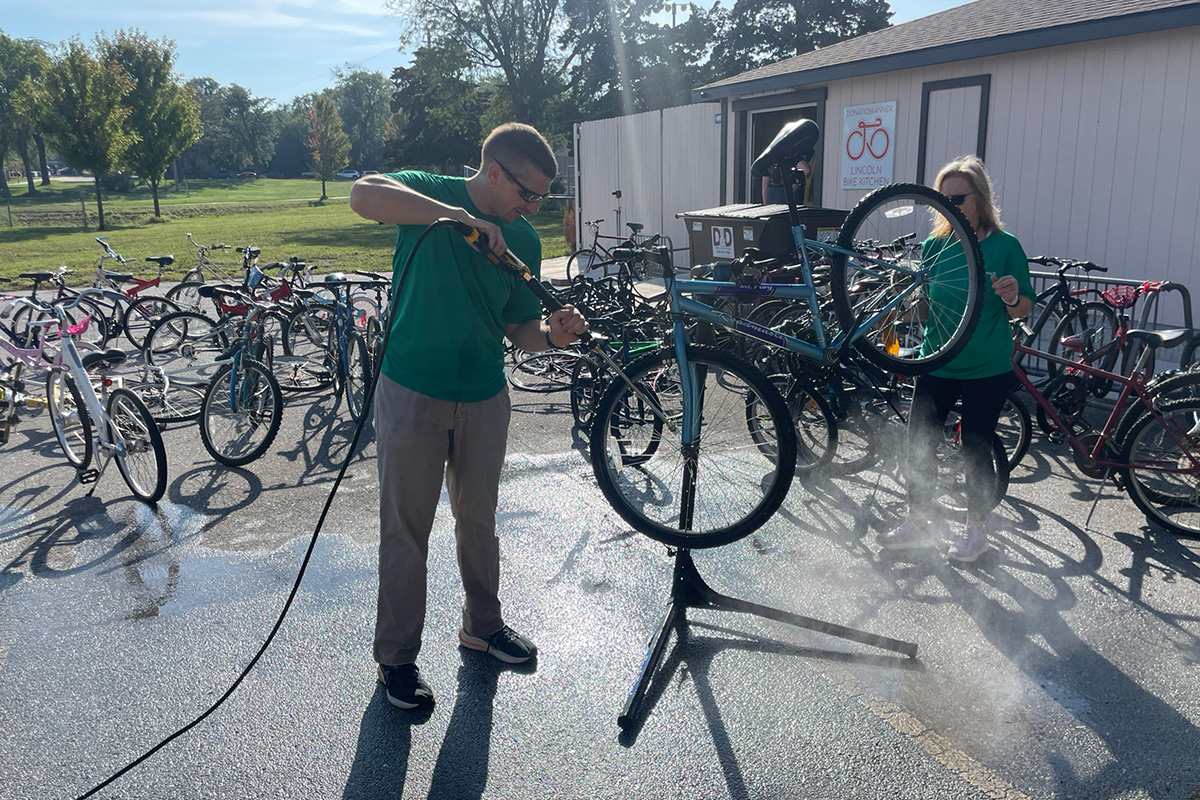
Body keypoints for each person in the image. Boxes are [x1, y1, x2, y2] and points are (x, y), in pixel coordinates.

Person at [348, 123, 589, 709]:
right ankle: (397, 659)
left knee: (479, 522)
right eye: (526, 194)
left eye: (540, 199)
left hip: (483, 396)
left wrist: (552, 339)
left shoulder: (523, 241)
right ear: (493, 172)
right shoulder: (425, 192)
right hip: (412, 390)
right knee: (407, 532)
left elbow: (518, 329)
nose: (531, 208)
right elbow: (362, 195)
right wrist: (454, 218)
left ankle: (482, 627)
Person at [876, 154, 1033, 563]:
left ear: (979, 198)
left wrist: (1013, 296)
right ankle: (919, 521)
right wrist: (895, 324)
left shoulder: (1006, 246)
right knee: (919, 445)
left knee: (976, 446)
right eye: (941, 200)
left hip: (986, 366)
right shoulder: (933, 247)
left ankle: (975, 531)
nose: (950, 207)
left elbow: (1023, 309)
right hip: (937, 361)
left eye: (958, 198)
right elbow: (927, 309)